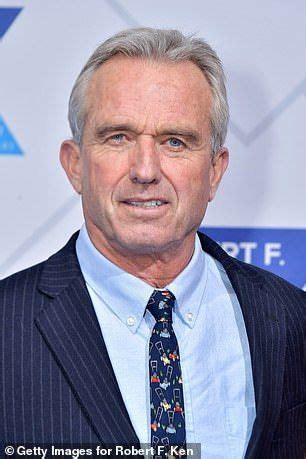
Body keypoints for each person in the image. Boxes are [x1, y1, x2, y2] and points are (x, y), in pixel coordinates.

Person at [0, 27, 305, 459]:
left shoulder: (292, 322)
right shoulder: (5, 327)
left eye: (175, 141)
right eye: (118, 137)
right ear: (75, 165)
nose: (145, 170)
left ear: (215, 171)